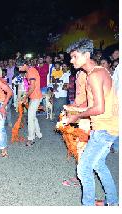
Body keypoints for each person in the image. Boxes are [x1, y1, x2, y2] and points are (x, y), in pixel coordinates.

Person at [65, 38, 119, 206]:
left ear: (86, 55)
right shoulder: (99, 71)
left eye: (74, 56)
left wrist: (76, 117)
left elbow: (99, 108)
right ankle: (112, 201)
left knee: (83, 168)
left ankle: (88, 206)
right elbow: (95, 105)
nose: (71, 60)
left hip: (104, 128)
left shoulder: (94, 75)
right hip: (109, 126)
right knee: (98, 165)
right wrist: (75, 110)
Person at [18, 61, 43, 146]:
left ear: (24, 65)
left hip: (36, 97)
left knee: (30, 117)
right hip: (33, 97)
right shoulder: (29, 71)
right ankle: (39, 134)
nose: (19, 69)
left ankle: (31, 138)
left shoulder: (31, 71)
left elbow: (32, 87)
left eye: (20, 67)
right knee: (33, 117)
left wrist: (25, 97)